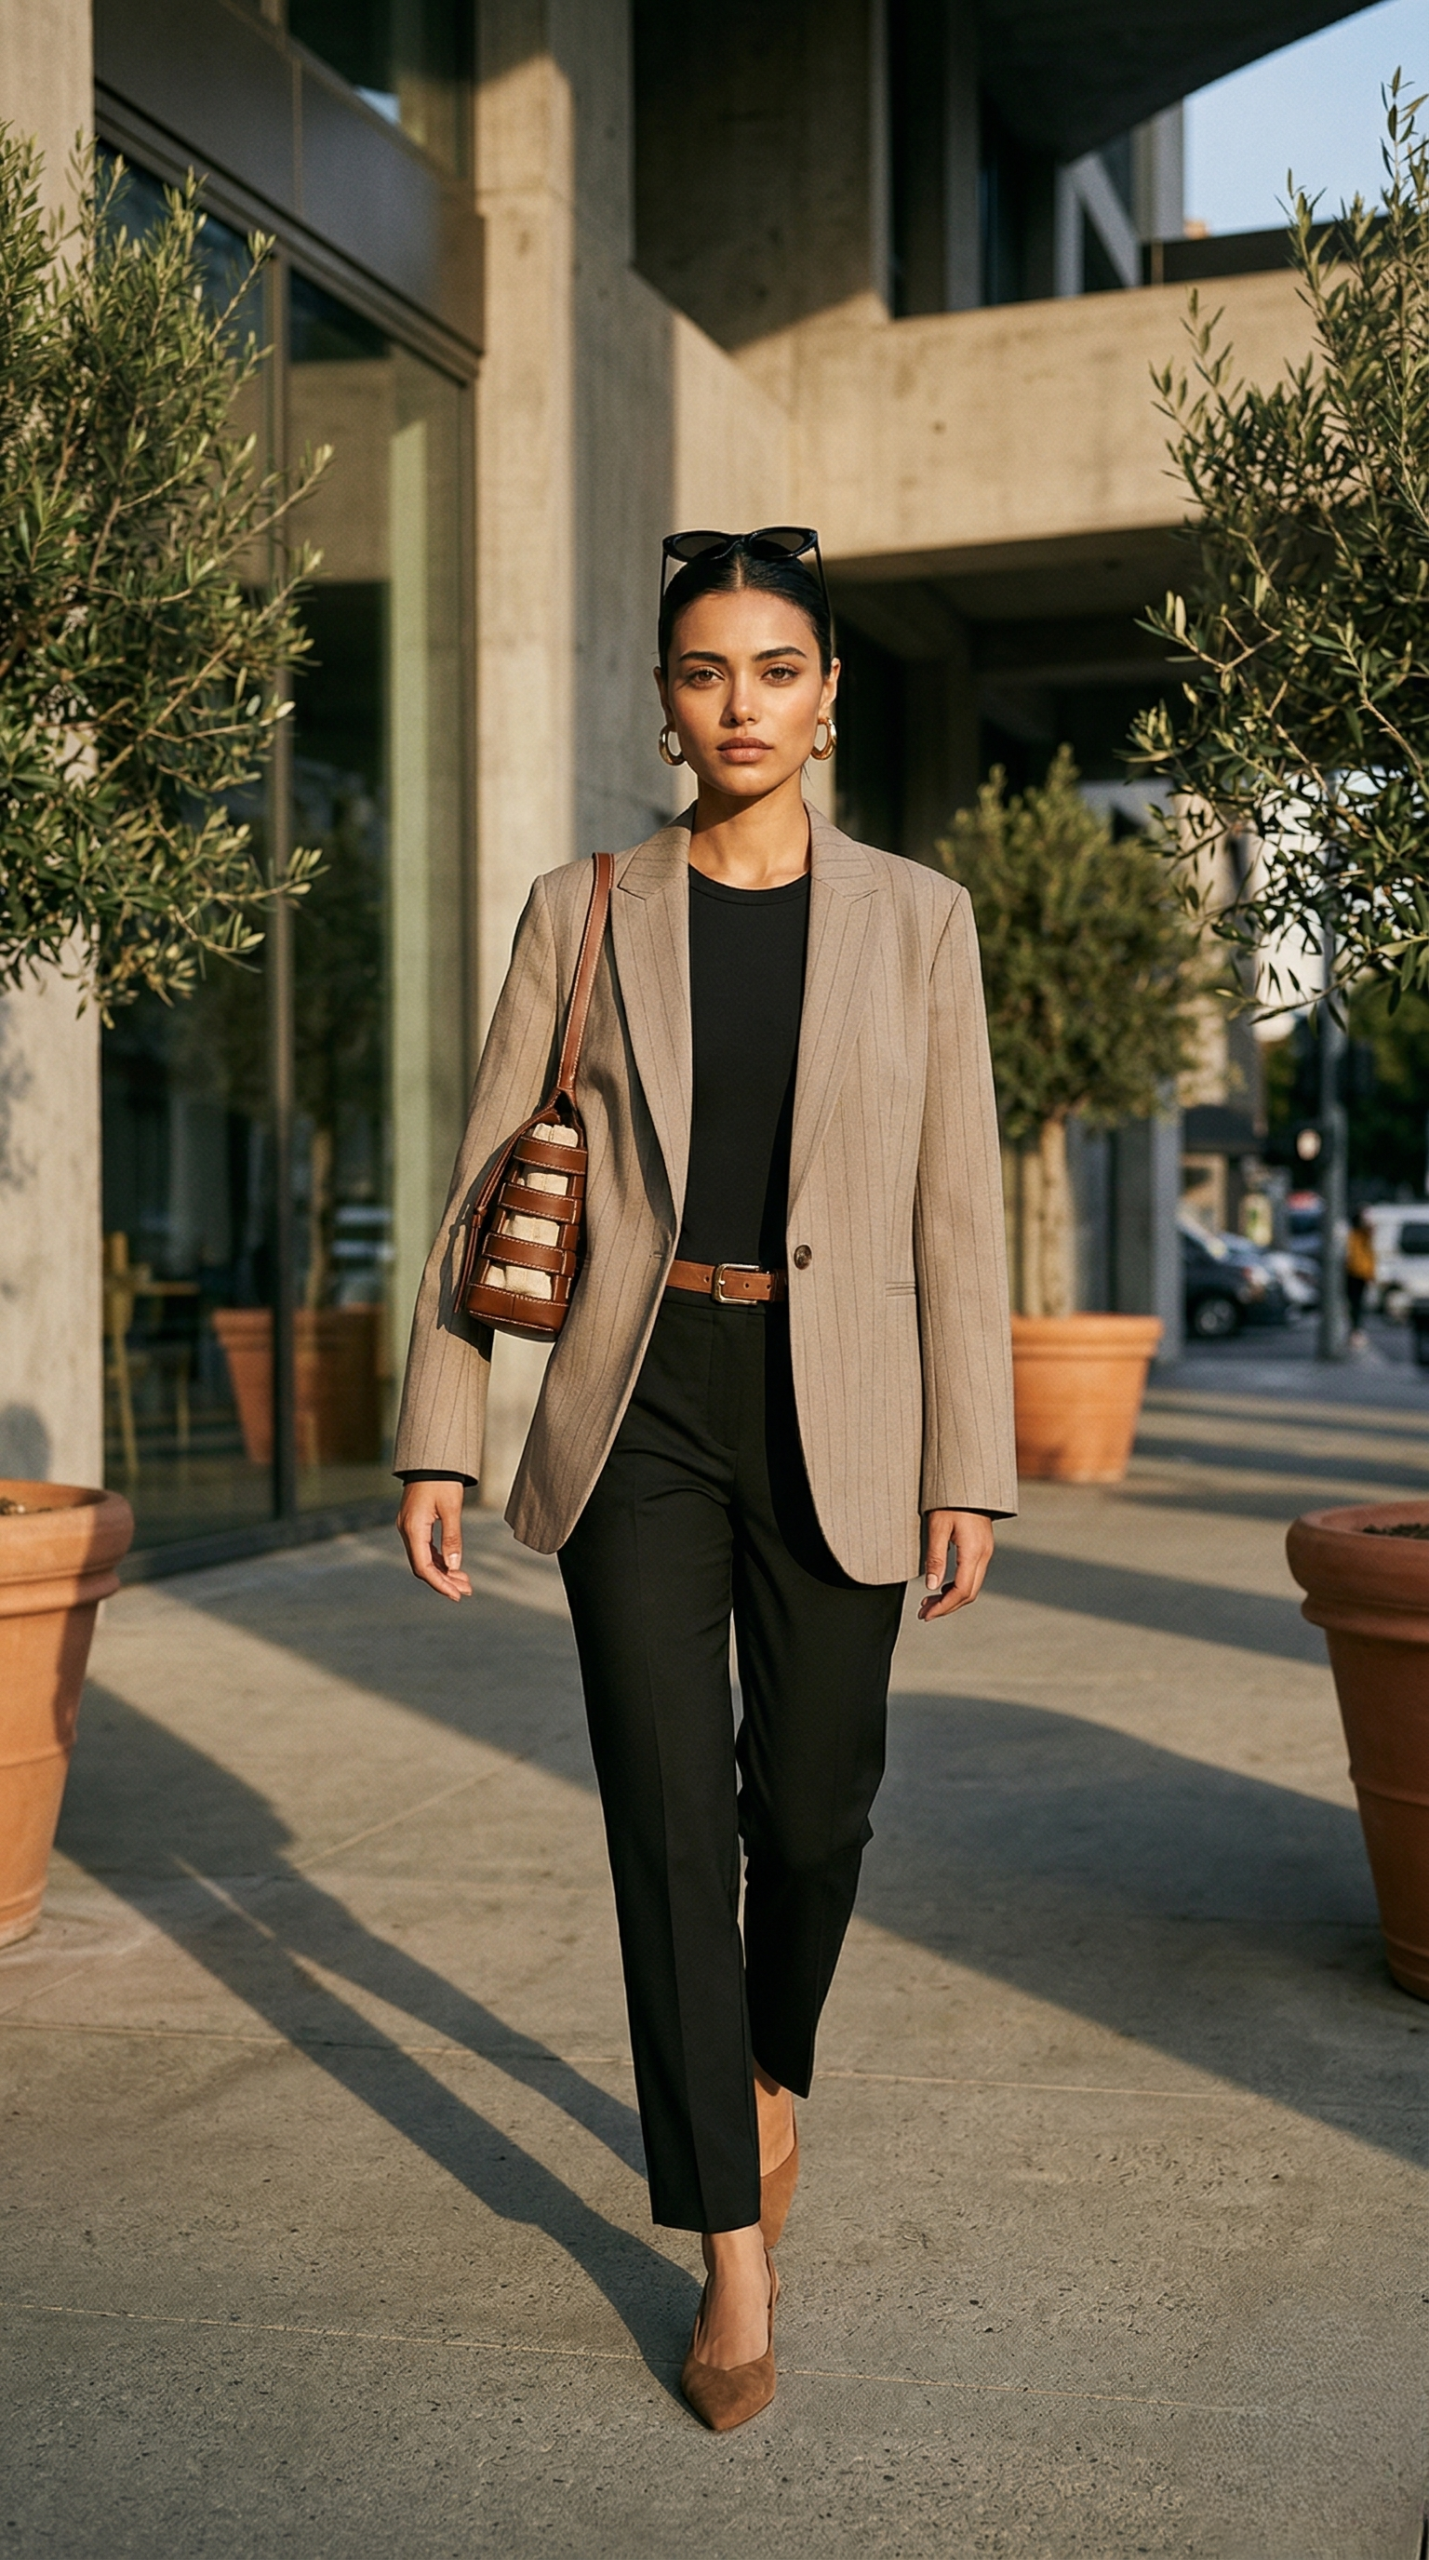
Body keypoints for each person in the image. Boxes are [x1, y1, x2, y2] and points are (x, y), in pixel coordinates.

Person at [394, 527, 1016, 2432]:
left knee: (812, 1811)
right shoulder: (580, 912)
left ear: (828, 698)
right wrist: (441, 1416)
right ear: (661, 705)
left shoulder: (918, 921)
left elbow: (958, 1216)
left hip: (839, 1404)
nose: (735, 704)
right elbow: (491, 1168)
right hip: (637, 1394)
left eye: (772, 669)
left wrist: (965, 1463)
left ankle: (766, 2068)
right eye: (698, 672)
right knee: (670, 1821)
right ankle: (727, 2255)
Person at [1345, 1207, 1376, 1348]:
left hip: (1358, 1272)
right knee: (1356, 1303)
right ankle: (1355, 1331)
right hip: (1356, 1272)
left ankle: (1355, 1331)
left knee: (1356, 1303)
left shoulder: (1358, 1236)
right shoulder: (1357, 1236)